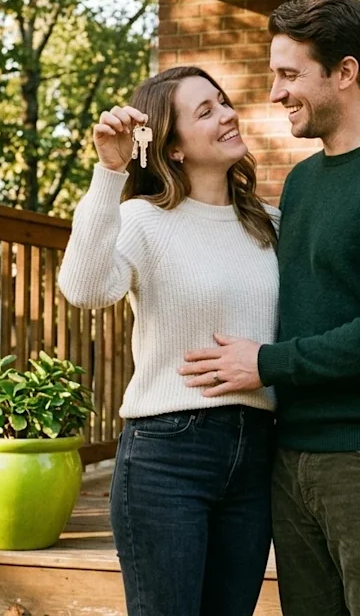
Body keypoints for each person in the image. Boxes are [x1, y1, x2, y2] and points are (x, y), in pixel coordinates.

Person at [177, 0, 360, 616]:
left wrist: (270, 364)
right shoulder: (303, 182)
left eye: (289, 74)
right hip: (292, 458)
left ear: (346, 72)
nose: (274, 93)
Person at [57, 66, 279, 616]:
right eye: (205, 111)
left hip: (257, 453)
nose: (227, 114)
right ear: (173, 148)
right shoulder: (142, 220)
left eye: (223, 102)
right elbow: (83, 290)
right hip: (169, 456)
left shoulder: (270, 224)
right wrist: (109, 172)